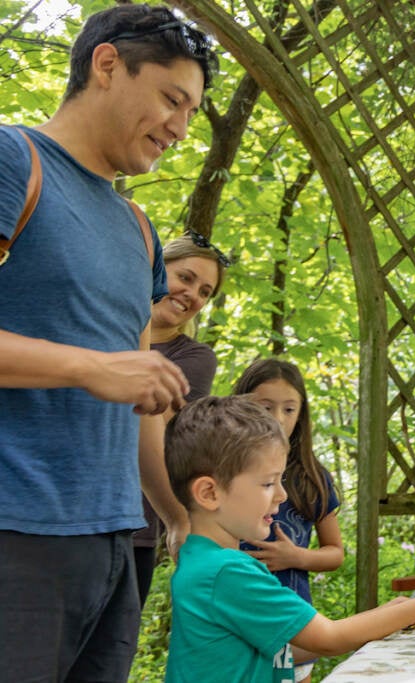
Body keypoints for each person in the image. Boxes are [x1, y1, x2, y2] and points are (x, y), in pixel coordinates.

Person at [0, 4, 217, 680]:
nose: (180, 129)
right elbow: (104, 371)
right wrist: (87, 367)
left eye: (191, 113)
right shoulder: (16, 159)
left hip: (117, 544)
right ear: (106, 65)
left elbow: (136, 395)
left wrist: (174, 512)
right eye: (171, 99)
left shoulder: (141, 229)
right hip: (18, 535)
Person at [164, 395, 415, 682]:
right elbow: (327, 638)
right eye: (267, 484)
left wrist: (393, 614)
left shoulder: (201, 559)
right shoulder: (227, 572)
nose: (281, 495)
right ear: (209, 493)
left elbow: (290, 647)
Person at [234, 358, 345, 683]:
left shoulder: (311, 476)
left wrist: (297, 557)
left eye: (288, 409)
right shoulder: (221, 472)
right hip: (237, 624)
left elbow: (335, 552)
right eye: (265, 407)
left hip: (293, 626)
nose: (277, 420)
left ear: (302, 414)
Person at [134, 232, 228, 605]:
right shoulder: (102, 325)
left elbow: (174, 428)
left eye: (205, 291)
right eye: (185, 278)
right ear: (156, 268)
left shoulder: (194, 356)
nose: (193, 295)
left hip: (138, 520)